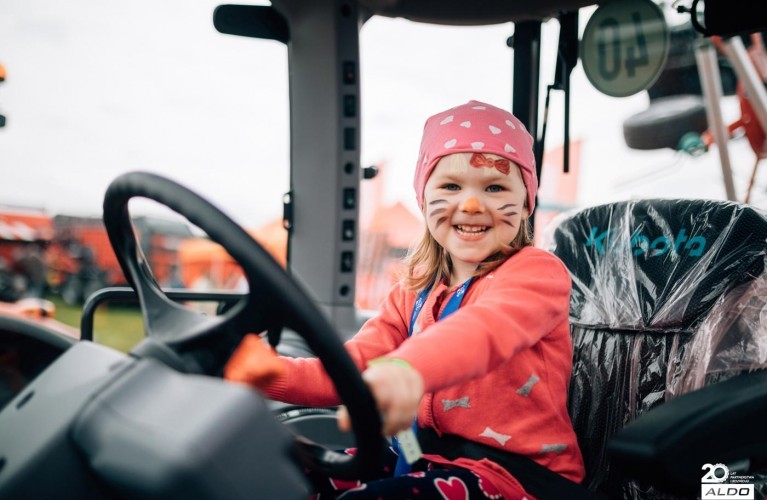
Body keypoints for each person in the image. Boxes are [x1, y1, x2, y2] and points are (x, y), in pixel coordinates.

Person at [225, 100, 585, 499]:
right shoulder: (413, 292)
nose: (471, 205)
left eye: (495, 187)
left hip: (518, 477)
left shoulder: (536, 273)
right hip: (422, 456)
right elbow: (354, 367)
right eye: (450, 186)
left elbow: (484, 330)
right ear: (423, 198)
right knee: (279, 475)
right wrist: (270, 374)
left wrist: (404, 370)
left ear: (526, 202)